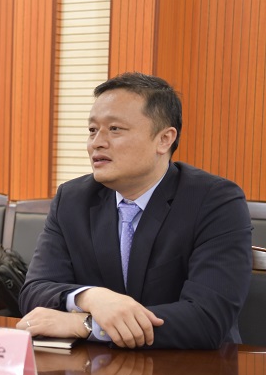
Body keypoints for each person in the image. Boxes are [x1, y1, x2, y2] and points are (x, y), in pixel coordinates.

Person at [17, 72, 252, 349]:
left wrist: (89, 325)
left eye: (115, 129)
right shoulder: (73, 198)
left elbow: (207, 318)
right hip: (94, 370)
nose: (97, 142)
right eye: (92, 130)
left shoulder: (215, 201)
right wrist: (90, 297)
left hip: (191, 368)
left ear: (164, 139)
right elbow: (34, 291)